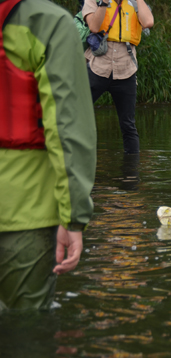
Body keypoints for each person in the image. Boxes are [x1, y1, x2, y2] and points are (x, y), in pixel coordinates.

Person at [0, 0, 97, 310]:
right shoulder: (50, 24)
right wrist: (74, 218)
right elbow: (68, 129)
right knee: (28, 335)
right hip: (25, 212)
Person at [83, 0, 154, 154]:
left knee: (128, 125)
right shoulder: (93, 1)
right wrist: (104, 3)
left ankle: (131, 174)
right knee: (77, 113)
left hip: (126, 69)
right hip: (98, 68)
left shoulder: (134, 3)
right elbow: (94, 27)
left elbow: (148, 22)